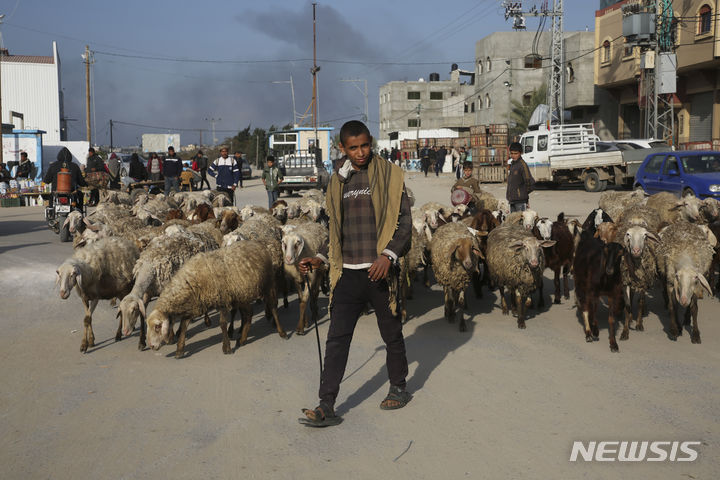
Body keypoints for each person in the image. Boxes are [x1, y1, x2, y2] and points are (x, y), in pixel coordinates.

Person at [297, 120, 412, 427]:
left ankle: (399, 386)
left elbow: (404, 224)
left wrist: (388, 256)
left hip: (379, 272)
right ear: (342, 148)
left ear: (370, 142)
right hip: (347, 273)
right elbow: (335, 227)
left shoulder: (390, 175)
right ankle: (326, 404)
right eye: (353, 147)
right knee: (336, 339)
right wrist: (319, 258)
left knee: (391, 334)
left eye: (365, 145)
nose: (361, 152)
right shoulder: (338, 181)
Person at [506, 142, 535, 212]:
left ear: (520, 153)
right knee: (513, 222)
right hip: (512, 200)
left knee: (520, 221)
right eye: (512, 153)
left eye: (516, 153)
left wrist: (523, 195)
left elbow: (530, 182)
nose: (513, 156)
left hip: (520, 201)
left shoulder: (522, 165)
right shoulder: (512, 164)